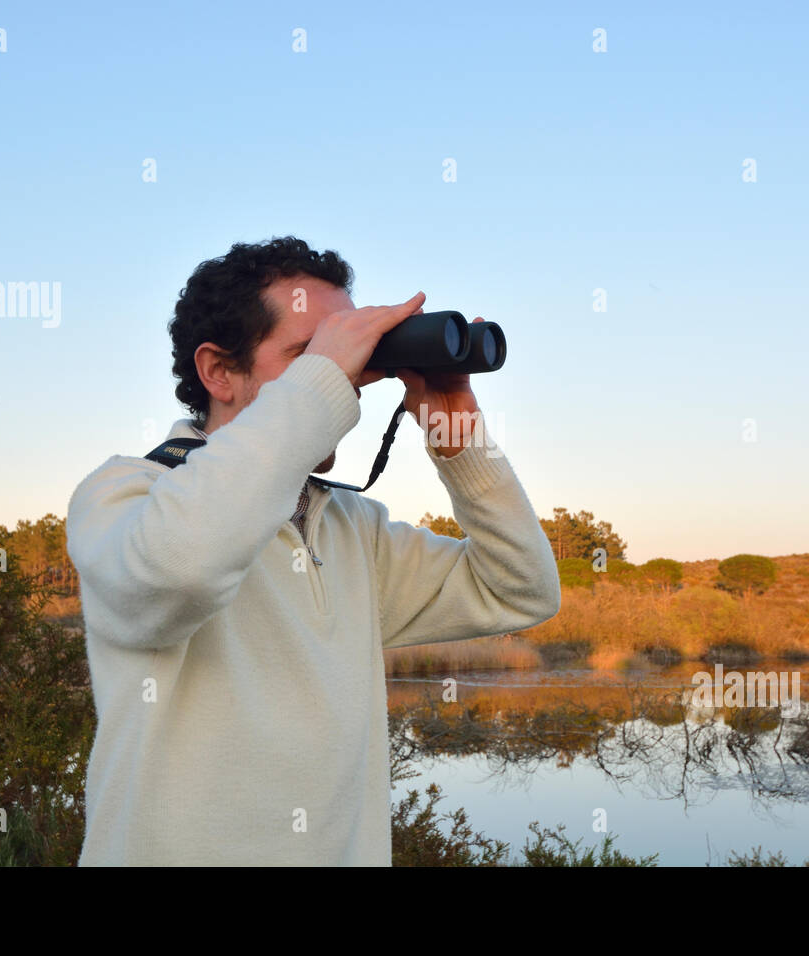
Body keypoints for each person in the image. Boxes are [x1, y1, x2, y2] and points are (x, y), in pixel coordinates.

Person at [66, 235, 561, 865]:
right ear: (218, 370)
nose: (345, 380)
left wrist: (456, 431)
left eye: (350, 354)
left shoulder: (354, 529)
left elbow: (520, 589)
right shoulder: (126, 493)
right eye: (310, 356)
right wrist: (317, 389)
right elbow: (179, 569)